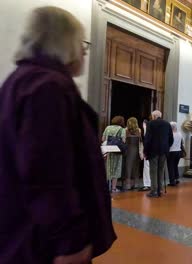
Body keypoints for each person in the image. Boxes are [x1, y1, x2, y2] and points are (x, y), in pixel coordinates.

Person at [0, 6, 116, 263]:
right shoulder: (49, 87)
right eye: (82, 44)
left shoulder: (17, 82)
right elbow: (46, 170)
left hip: (22, 232)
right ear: (66, 43)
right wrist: (70, 241)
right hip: (43, 243)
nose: (85, 52)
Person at [144, 110, 174, 198]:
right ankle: (160, 189)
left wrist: (145, 151)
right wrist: (167, 147)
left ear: (154, 116)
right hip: (164, 151)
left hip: (153, 151)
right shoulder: (167, 124)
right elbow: (171, 138)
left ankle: (154, 191)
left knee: (153, 171)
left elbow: (147, 139)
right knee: (161, 170)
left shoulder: (151, 124)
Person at [103, 116, 126, 192]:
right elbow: (123, 140)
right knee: (116, 169)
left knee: (108, 168)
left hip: (108, 150)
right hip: (116, 150)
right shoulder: (121, 129)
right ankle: (113, 188)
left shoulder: (107, 128)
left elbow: (103, 139)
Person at [123, 117, 142, 191]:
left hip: (128, 150)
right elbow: (140, 141)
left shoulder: (125, 130)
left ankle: (128, 185)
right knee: (136, 167)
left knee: (128, 166)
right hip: (136, 150)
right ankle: (136, 184)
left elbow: (124, 140)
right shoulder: (139, 130)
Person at [168, 122, 183, 186]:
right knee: (175, 166)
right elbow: (182, 142)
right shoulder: (180, 134)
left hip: (171, 152)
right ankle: (177, 179)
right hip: (178, 151)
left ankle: (172, 181)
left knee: (170, 166)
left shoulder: (171, 134)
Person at [139, 118, 151, 191]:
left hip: (147, 152)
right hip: (149, 152)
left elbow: (146, 142)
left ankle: (147, 184)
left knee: (147, 168)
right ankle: (148, 183)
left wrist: (144, 152)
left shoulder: (147, 131)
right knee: (147, 168)